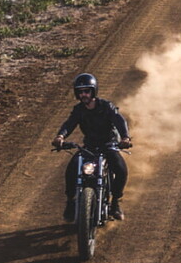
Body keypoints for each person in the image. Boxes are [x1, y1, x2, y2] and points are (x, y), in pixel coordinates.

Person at [52, 73, 132, 222]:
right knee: (71, 169)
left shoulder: (106, 106)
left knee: (121, 169)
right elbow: (69, 124)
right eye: (80, 92)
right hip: (89, 146)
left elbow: (119, 120)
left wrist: (125, 138)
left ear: (93, 91)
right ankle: (70, 201)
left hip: (109, 145)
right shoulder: (79, 110)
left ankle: (115, 203)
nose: (84, 94)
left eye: (87, 91)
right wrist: (60, 136)